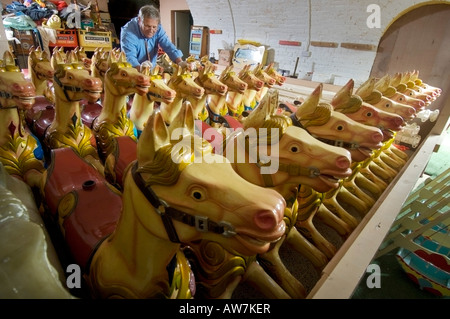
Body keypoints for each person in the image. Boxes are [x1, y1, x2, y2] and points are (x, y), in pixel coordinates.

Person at [120, 5, 186, 70]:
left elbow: (168, 45)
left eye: (154, 27)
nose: (151, 30)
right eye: (147, 26)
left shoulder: (158, 28)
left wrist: (180, 62)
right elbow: (129, 57)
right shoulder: (128, 33)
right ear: (139, 20)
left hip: (151, 69)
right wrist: (141, 69)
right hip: (134, 72)